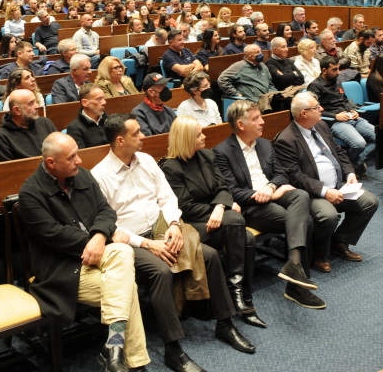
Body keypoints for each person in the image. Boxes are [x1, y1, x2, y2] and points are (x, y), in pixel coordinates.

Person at [91, 114, 256, 372]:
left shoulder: (146, 160)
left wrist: (174, 225)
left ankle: (225, 324)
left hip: (162, 229)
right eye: (136, 133)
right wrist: (148, 245)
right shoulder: (100, 175)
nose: (143, 136)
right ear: (120, 140)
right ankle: (173, 349)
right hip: (131, 243)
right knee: (161, 272)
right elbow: (109, 224)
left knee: (210, 256)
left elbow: (167, 198)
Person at [17, 133, 150, 372]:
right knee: (126, 288)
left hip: (99, 254)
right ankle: (127, 357)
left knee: (121, 252)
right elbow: (54, 235)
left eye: (77, 154)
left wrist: (99, 237)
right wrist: (101, 240)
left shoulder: (84, 176)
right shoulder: (30, 193)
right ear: (51, 163)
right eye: (71, 157)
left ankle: (114, 349)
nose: (79, 160)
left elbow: (107, 212)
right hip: (63, 270)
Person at [213, 100, 323, 309]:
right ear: (241, 125)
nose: (262, 122)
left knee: (300, 195)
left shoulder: (264, 144)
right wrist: (267, 195)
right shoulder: (222, 151)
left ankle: (294, 266)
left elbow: (281, 174)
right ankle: (296, 285)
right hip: (251, 206)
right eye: (256, 119)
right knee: (306, 222)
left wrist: (271, 187)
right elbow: (231, 191)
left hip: (272, 193)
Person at [161, 116, 267, 328]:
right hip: (193, 224)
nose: (204, 137)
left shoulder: (207, 156)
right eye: (198, 135)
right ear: (186, 139)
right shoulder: (170, 167)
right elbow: (186, 207)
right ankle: (240, 294)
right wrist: (216, 211)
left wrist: (219, 208)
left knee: (245, 235)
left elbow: (223, 188)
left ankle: (240, 294)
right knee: (237, 222)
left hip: (218, 217)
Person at [273, 93, 379, 272]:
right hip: (311, 194)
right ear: (304, 113)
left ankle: (339, 241)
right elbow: (295, 176)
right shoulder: (286, 140)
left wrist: (349, 172)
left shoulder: (321, 125)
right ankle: (319, 253)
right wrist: (324, 191)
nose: (321, 109)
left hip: (338, 186)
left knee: (369, 202)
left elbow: (339, 152)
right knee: (328, 216)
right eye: (316, 107)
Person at [307, 57, 376, 175]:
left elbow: (344, 100)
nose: (338, 72)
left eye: (338, 69)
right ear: (324, 70)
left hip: (350, 116)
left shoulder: (337, 81)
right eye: (334, 70)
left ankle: (356, 162)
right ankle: (351, 164)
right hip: (335, 122)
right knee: (359, 144)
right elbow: (314, 110)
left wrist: (353, 110)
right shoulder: (315, 86)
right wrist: (335, 116)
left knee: (380, 136)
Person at [0, 89, 57, 161]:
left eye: (35, 101)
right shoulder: (1, 136)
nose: (37, 106)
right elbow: (8, 167)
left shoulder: (45, 123)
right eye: (31, 103)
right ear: (17, 110)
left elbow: (59, 151)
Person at [66, 84, 110, 148]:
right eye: (99, 99)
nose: (104, 102)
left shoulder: (110, 120)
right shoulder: (74, 128)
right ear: (85, 103)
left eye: (103, 98)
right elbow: (82, 153)